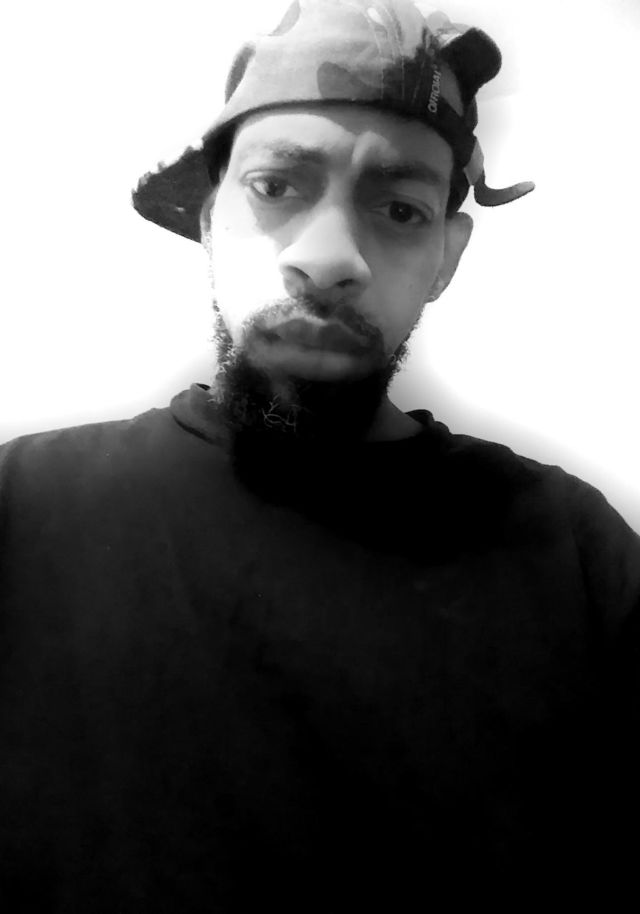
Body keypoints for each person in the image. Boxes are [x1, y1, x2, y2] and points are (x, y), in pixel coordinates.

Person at [1, 0, 639, 909]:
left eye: (400, 208)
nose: (330, 257)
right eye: (276, 186)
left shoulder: (578, 557)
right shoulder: (23, 513)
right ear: (208, 219)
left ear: (447, 257)